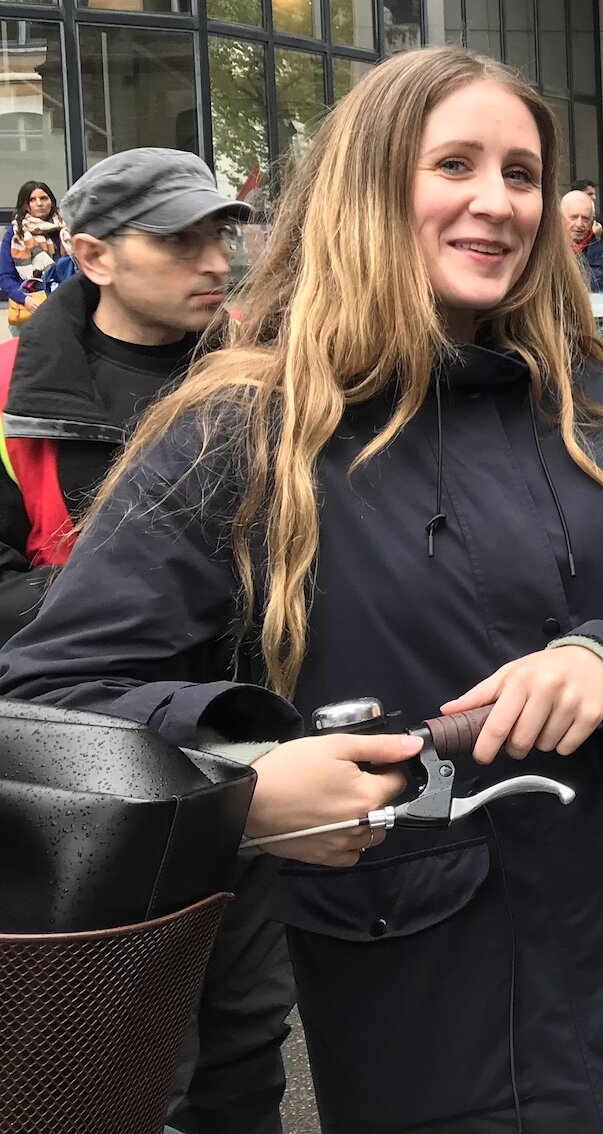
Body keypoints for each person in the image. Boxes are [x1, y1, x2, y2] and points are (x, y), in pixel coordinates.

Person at [0, 48, 603, 1133]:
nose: (499, 202)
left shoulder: (593, 406)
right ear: (369, 186)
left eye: (522, 174)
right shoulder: (238, 435)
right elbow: (55, 706)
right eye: (457, 165)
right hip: (460, 1038)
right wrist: (244, 783)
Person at [0, 150, 294, 1134]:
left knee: (249, 1037)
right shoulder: (9, 395)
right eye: (177, 240)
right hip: (78, 790)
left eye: (220, 233)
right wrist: (128, 590)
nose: (214, 260)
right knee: (110, 1064)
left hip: (246, 761)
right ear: (92, 256)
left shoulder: (272, 373)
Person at [4, 180, 67, 324]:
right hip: (29, 309)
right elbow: (5, 276)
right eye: (32, 199)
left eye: (44, 198)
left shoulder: (64, 231)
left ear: (51, 201)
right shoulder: (15, 235)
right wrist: (25, 299)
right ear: (25, 205)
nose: (39, 203)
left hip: (63, 308)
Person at [562, 187, 603, 294]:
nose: (579, 224)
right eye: (573, 217)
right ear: (560, 217)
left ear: (592, 220)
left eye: (585, 218)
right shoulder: (544, 253)